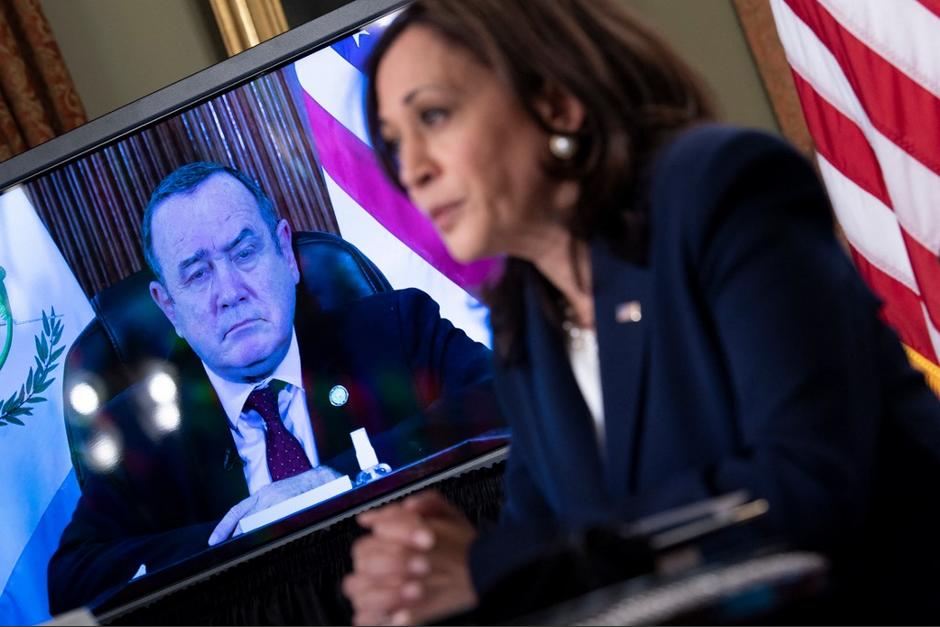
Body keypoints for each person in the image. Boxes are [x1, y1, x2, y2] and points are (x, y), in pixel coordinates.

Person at [342, 0, 940, 624]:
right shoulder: (527, 319)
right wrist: (422, 583)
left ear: (554, 102)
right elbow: (554, 555)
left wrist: (490, 567)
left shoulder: (719, 190)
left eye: (433, 116)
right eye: (392, 142)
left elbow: (804, 488)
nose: (412, 170)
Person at [48, 162, 503, 613]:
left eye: (244, 253)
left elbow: (505, 399)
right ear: (169, 308)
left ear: (286, 253)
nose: (229, 292)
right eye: (198, 274)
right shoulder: (140, 430)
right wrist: (242, 535)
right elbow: (74, 579)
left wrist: (336, 480)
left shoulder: (396, 330)